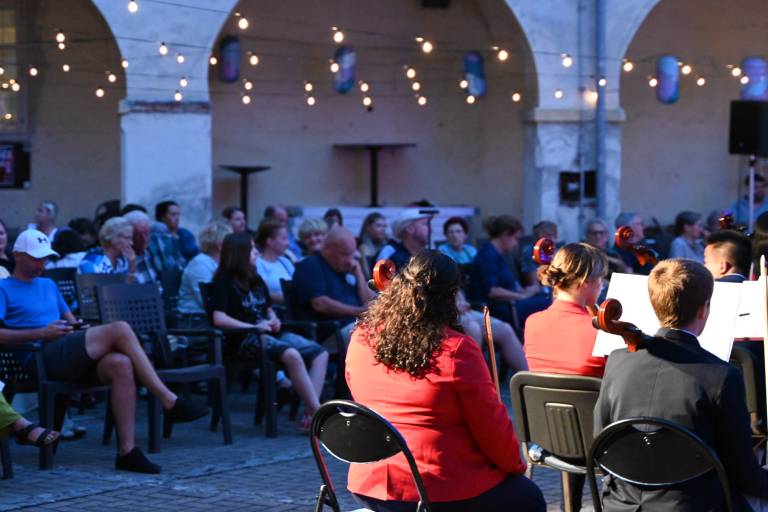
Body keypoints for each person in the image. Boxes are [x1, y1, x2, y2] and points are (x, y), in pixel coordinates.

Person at [346, 251, 545, 511]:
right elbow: (491, 426)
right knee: (528, 497)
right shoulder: (456, 349)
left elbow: (357, 392)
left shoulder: (362, 336)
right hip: (434, 486)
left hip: (370, 482)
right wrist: (514, 465)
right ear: (450, 297)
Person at [0, 229, 208, 473]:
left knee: (120, 363)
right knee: (120, 329)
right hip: (37, 357)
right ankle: (168, 400)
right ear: (18, 255)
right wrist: (41, 333)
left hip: (65, 351)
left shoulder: (48, 284)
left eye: (45, 257)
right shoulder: (4, 288)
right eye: (36, 257)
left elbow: (71, 320)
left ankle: (127, 452)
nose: (42, 263)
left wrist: (79, 327)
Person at [594, 259, 768, 511]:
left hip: (621, 504)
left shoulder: (617, 361)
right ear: (703, 310)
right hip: (694, 505)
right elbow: (742, 474)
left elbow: (601, 442)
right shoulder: (722, 376)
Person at [209, 232, 328, 430]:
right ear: (239, 253)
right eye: (252, 249)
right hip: (242, 338)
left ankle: (310, 413)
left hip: (267, 333)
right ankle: (318, 413)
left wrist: (273, 319)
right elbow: (218, 318)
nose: (256, 252)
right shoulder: (223, 281)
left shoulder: (255, 279)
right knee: (292, 355)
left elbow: (268, 308)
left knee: (320, 353)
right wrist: (253, 327)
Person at [524, 243, 608, 512]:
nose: (603, 286)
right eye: (601, 279)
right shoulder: (599, 333)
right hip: (598, 442)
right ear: (585, 282)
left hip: (549, 435)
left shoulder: (532, 322)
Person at [293, 228, 375, 343]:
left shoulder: (345, 268)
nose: (350, 260)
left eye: (352, 254)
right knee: (372, 333)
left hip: (353, 326)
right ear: (327, 249)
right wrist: (359, 311)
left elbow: (370, 303)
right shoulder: (310, 266)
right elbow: (320, 304)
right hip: (330, 333)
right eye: (345, 254)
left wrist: (359, 275)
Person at [469, 215, 549, 329]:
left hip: (510, 304)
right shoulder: (487, 256)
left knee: (547, 297)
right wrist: (521, 296)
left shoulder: (498, 255)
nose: (516, 243)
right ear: (505, 235)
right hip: (501, 308)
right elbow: (492, 291)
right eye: (515, 238)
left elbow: (506, 285)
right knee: (550, 303)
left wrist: (525, 291)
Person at [178, 221, 232, 324]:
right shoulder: (200, 264)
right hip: (195, 321)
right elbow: (207, 302)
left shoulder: (221, 263)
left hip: (211, 318)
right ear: (220, 245)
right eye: (231, 243)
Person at [255, 218, 295, 304]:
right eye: (284, 239)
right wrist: (292, 298)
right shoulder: (258, 263)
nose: (287, 243)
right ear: (270, 241)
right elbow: (264, 294)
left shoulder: (285, 262)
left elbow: (298, 285)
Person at [122, 210, 160, 284]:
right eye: (137, 235)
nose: (144, 239)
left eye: (146, 233)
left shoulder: (152, 252)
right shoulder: (121, 261)